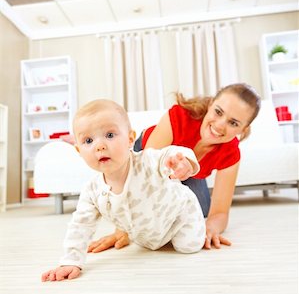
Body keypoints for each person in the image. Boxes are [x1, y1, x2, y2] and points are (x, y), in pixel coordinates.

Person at [41, 99, 206, 282]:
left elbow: (170, 153)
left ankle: (196, 229)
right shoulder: (92, 191)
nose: (100, 145)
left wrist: (182, 161)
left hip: (180, 216)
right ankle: (159, 239)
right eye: (88, 140)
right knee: (148, 245)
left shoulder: (147, 161)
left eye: (110, 135)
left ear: (130, 138)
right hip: (147, 235)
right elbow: (81, 225)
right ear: (79, 151)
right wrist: (71, 261)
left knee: (188, 246)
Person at [88, 83, 261, 254]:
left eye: (233, 123)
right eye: (218, 112)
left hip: (186, 172)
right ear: (210, 104)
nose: (220, 125)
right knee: (149, 199)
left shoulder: (231, 153)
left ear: (243, 130)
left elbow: (220, 214)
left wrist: (210, 229)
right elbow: (144, 177)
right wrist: (125, 228)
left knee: (201, 209)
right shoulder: (180, 116)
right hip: (146, 161)